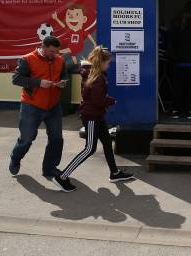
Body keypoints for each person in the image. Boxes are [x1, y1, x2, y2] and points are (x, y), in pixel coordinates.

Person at [52, 46, 134, 192]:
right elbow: (98, 101)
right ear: (101, 63)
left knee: (107, 143)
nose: (108, 65)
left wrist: (108, 101)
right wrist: (111, 101)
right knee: (90, 148)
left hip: (97, 115)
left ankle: (114, 173)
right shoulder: (97, 78)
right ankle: (62, 176)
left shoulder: (93, 74)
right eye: (108, 63)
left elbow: (97, 98)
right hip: (91, 117)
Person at [9, 36, 67, 179]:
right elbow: (16, 79)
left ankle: (50, 168)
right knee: (27, 139)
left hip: (53, 106)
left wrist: (63, 82)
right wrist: (38, 83)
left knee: (56, 139)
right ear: (43, 46)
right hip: (32, 105)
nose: (55, 54)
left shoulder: (59, 60)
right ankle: (15, 159)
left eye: (57, 51)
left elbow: (64, 75)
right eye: (52, 51)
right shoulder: (27, 59)